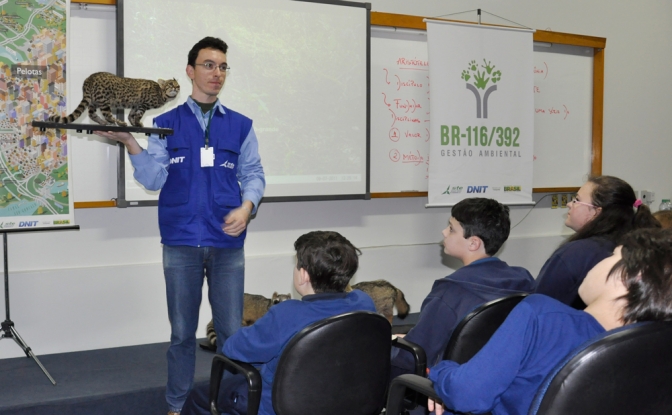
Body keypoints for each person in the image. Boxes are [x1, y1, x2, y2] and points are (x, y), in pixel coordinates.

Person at [95, 36, 265, 415]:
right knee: (182, 335)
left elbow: (253, 172)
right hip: (180, 243)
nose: (216, 73)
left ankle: (234, 402)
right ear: (190, 71)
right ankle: (176, 405)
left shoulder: (240, 126)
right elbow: (154, 179)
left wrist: (247, 206)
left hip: (227, 243)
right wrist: (130, 143)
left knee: (232, 336)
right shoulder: (164, 124)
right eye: (208, 65)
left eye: (222, 66)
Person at [428, 227, 672, 415]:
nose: (598, 261)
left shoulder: (543, 317)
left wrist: (441, 371)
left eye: (612, 255)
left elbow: (467, 395)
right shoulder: (656, 350)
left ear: (629, 277)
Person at [181, 230, 376, 415]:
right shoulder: (364, 302)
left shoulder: (286, 315)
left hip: (276, 405)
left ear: (303, 275)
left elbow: (233, 349)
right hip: (348, 401)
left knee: (199, 396)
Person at [390, 198, 535, 377]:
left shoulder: (450, 292)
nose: (444, 232)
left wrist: (396, 345)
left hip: (449, 387)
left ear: (473, 243)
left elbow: (412, 357)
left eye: (451, 229)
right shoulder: (524, 281)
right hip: (503, 379)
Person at [535, 175, 659, 307]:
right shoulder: (637, 248)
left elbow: (537, 306)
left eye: (577, 200)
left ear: (596, 212)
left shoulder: (575, 254)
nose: (569, 204)